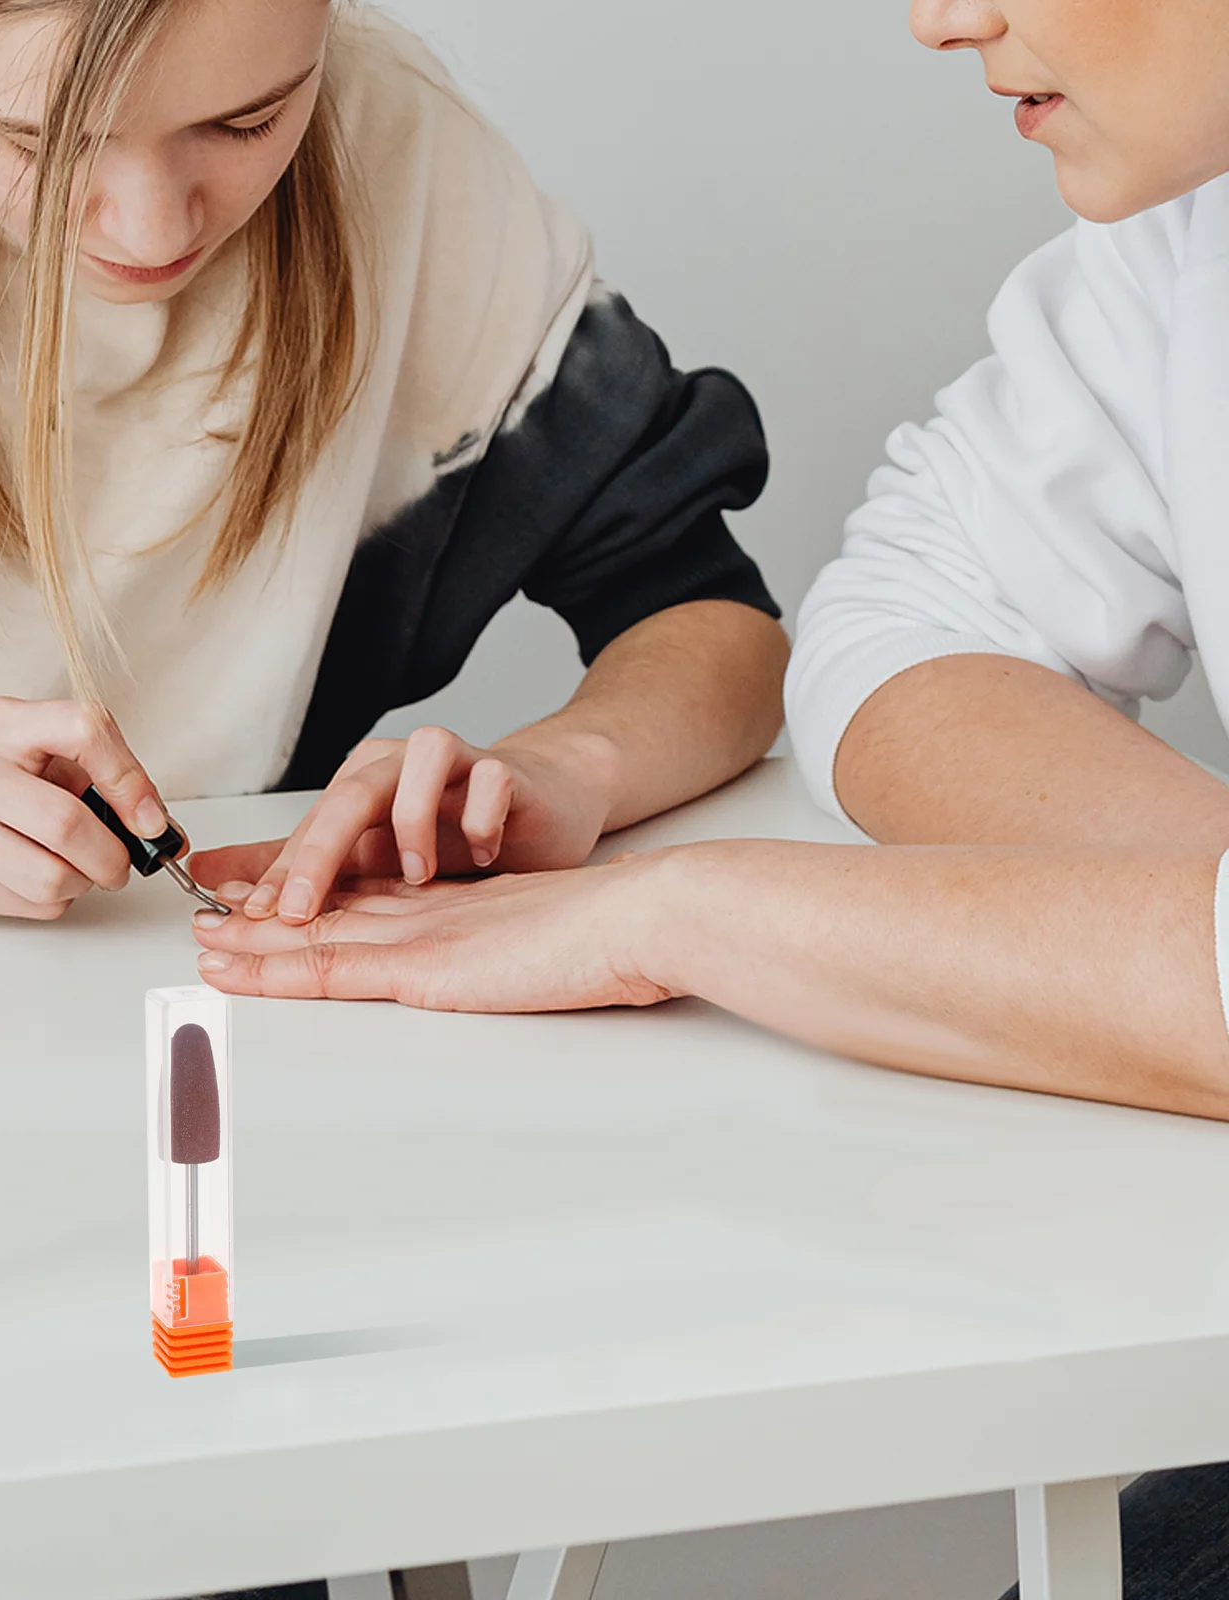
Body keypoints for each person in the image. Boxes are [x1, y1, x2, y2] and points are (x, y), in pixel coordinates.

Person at [193, 1, 1229, 1587]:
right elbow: (897, 621)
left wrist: (692, 914)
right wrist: (1181, 941)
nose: (941, 19)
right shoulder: (1181, 241)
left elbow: (703, 595)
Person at [0, 0, 788, 919]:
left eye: (246, 122)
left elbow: (710, 619)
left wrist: (568, 770)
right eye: (40, 138)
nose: (153, 230)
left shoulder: (411, 162)